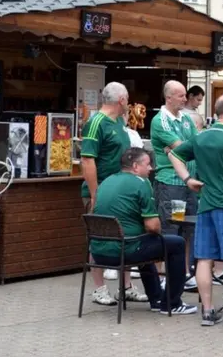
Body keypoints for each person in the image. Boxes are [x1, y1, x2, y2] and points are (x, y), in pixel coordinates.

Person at [169, 93, 223, 327]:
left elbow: (174, 154)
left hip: (206, 205)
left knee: (204, 259)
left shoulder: (200, 136)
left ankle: (207, 312)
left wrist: (187, 178)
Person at [92, 148, 198, 315]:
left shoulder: (106, 181)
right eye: (148, 164)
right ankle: (172, 303)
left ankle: (156, 298)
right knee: (177, 243)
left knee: (146, 242)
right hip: (125, 250)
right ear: (135, 166)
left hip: (98, 252)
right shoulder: (141, 183)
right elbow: (153, 226)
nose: (151, 169)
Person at [80, 82, 144, 305]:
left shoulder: (119, 122)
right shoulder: (96, 122)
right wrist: (96, 193)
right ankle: (99, 289)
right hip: (102, 191)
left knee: (125, 234)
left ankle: (126, 287)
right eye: (128, 99)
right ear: (122, 100)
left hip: (122, 190)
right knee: (98, 237)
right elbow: (87, 159)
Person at [150, 80, 199, 292]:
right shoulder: (160, 121)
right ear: (168, 97)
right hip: (171, 184)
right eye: (180, 95)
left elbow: (196, 144)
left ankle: (185, 273)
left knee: (189, 228)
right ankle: (166, 276)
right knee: (172, 228)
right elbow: (183, 148)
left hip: (189, 184)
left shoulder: (186, 119)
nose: (185, 99)